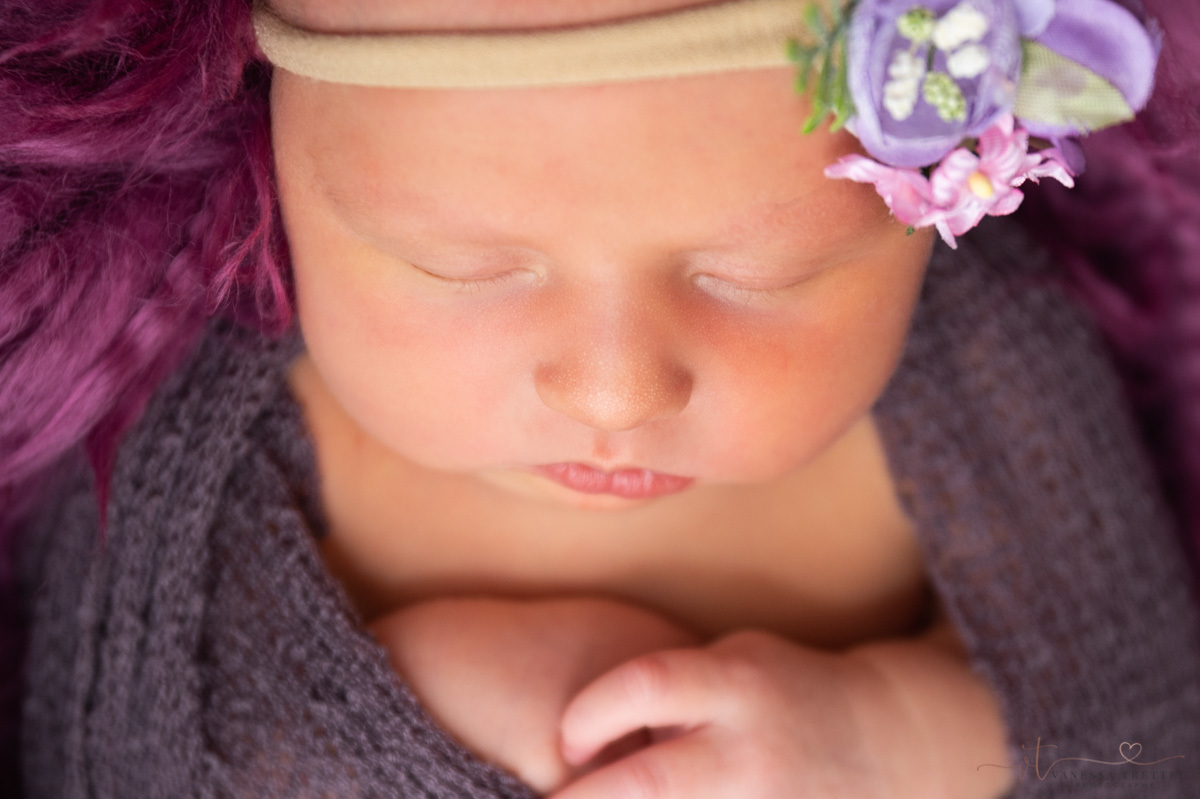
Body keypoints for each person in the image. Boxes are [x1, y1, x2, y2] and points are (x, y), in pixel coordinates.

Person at [4, 0, 1200, 797]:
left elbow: (1150, 730)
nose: (616, 388)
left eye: (761, 278)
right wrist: (430, 699)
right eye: (460, 269)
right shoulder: (201, 452)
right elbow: (97, 746)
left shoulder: (976, 368)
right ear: (276, 165)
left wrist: (891, 734)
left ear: (933, 211)